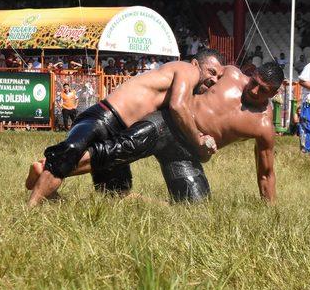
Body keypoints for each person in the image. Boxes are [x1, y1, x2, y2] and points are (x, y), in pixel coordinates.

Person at [27, 63, 283, 206]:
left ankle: (51, 170)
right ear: (252, 74)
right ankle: (54, 168)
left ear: (273, 95)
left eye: (263, 90)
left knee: (195, 207)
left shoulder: (263, 127)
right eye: (255, 82)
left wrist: (269, 209)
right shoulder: (231, 73)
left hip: (185, 154)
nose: (254, 90)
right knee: (122, 148)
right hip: (170, 124)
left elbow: (265, 172)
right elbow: (200, 74)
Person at [34, 50, 225, 198]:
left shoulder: (184, 86)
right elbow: (177, 107)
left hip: (117, 129)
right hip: (104, 117)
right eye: (212, 72)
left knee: (117, 195)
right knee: (69, 154)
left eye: (218, 77)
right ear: (195, 63)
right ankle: (30, 207)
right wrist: (198, 138)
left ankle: (47, 175)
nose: (214, 80)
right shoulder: (187, 69)